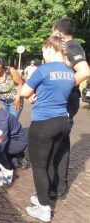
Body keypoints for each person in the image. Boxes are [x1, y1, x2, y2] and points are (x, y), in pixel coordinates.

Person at [20, 35, 74, 222]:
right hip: (63, 122)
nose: (43, 54)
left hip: (44, 122)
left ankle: (43, 208)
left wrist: (33, 96)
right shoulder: (69, 71)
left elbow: (24, 92)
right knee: (50, 162)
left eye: (43, 50)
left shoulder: (44, 70)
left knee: (39, 166)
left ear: (50, 48)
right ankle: (44, 195)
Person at [50, 18, 90, 200]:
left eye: (52, 31)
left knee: (58, 143)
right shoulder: (74, 45)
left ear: (58, 32)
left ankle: (56, 187)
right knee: (61, 142)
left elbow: (85, 71)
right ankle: (58, 186)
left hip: (66, 101)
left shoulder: (71, 46)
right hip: (67, 101)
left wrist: (63, 85)